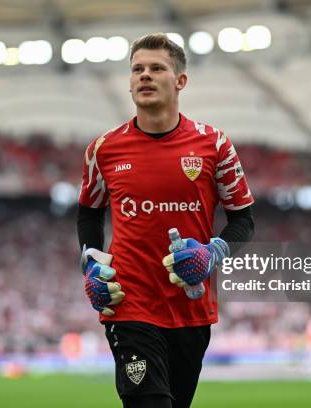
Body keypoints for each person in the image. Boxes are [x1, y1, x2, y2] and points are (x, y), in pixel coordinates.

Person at [77, 33, 254, 408]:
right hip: (129, 303)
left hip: (191, 306)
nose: (144, 75)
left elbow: (243, 221)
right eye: (137, 69)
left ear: (180, 81)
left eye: (156, 68)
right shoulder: (103, 149)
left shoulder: (214, 144)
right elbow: (89, 211)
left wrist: (212, 253)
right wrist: (91, 263)